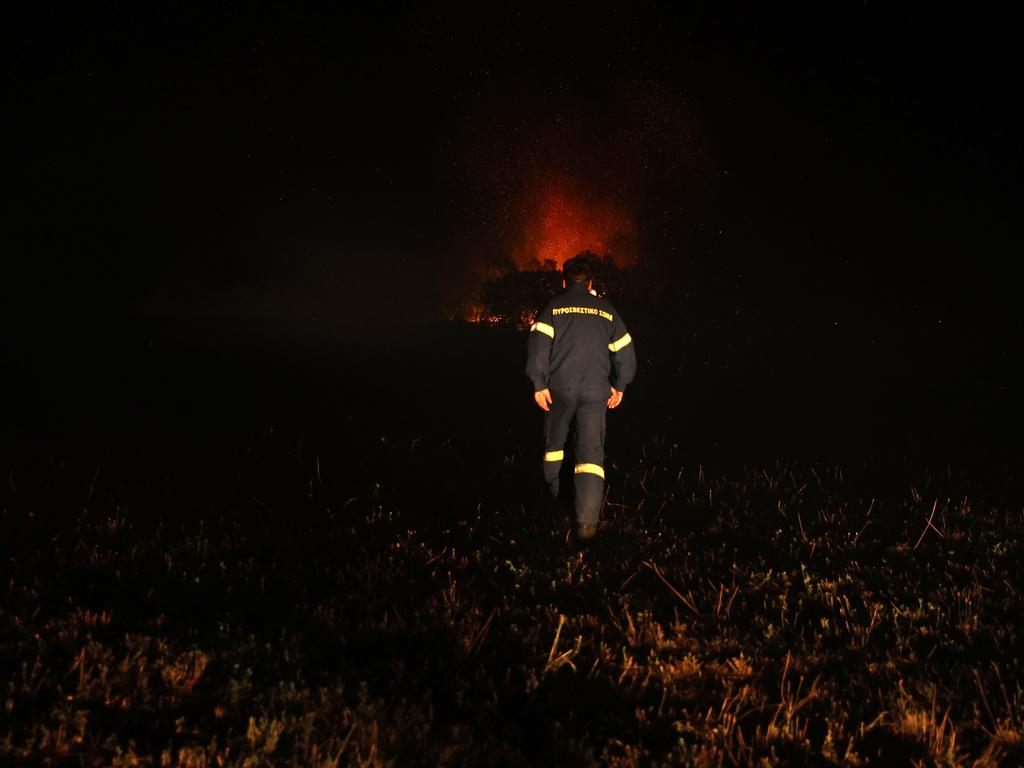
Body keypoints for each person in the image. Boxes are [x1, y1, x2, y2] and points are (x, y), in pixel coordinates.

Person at [525, 255, 637, 542]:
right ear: (591, 283)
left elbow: (538, 347)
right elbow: (625, 352)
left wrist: (539, 384)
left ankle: (551, 503)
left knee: (553, 446)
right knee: (591, 456)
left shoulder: (553, 307)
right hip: (596, 392)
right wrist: (620, 385)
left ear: (564, 282)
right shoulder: (607, 311)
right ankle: (587, 526)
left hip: (558, 391)